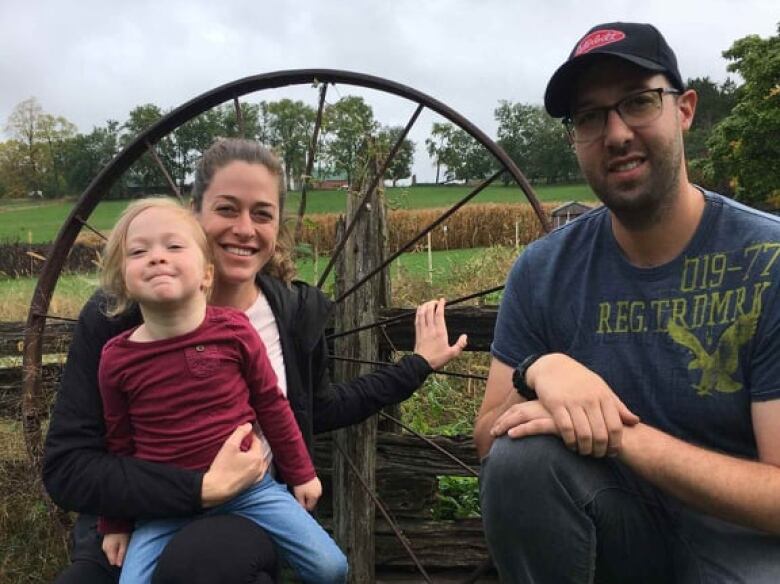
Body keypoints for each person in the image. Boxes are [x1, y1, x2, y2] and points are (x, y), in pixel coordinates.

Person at [44, 138, 468, 584]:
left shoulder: (295, 316)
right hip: (139, 516)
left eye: (262, 214)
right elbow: (69, 466)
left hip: (244, 513)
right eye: (226, 209)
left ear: (277, 226)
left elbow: (318, 408)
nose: (245, 229)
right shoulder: (118, 319)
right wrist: (197, 490)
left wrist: (416, 364)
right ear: (193, 215)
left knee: (206, 566)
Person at [474, 22, 780, 584]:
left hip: (746, 547)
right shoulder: (543, 271)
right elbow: (489, 435)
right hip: (616, 531)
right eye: (590, 117)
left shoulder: (768, 261)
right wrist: (541, 369)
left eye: (638, 102)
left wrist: (623, 436)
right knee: (518, 460)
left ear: (684, 109)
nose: (615, 134)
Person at [95, 198, 346, 583]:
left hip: (250, 491)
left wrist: (300, 472)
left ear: (206, 275)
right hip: (163, 508)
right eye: (139, 251)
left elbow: (272, 405)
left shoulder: (233, 331)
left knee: (331, 568)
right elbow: (120, 444)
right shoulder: (117, 359)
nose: (157, 257)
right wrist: (116, 521)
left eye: (174, 247)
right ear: (122, 279)